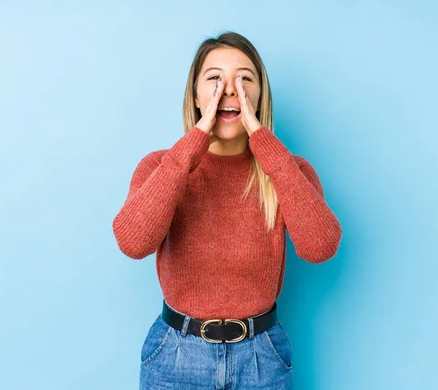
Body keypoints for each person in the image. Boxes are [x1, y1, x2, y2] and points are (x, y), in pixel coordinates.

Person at [112, 31, 342, 389]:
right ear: (195, 94)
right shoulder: (160, 166)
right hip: (175, 357)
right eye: (215, 79)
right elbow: (132, 242)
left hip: (261, 359)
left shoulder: (288, 170)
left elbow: (320, 247)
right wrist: (194, 143)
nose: (230, 90)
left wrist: (265, 145)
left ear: (260, 94)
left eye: (245, 79)